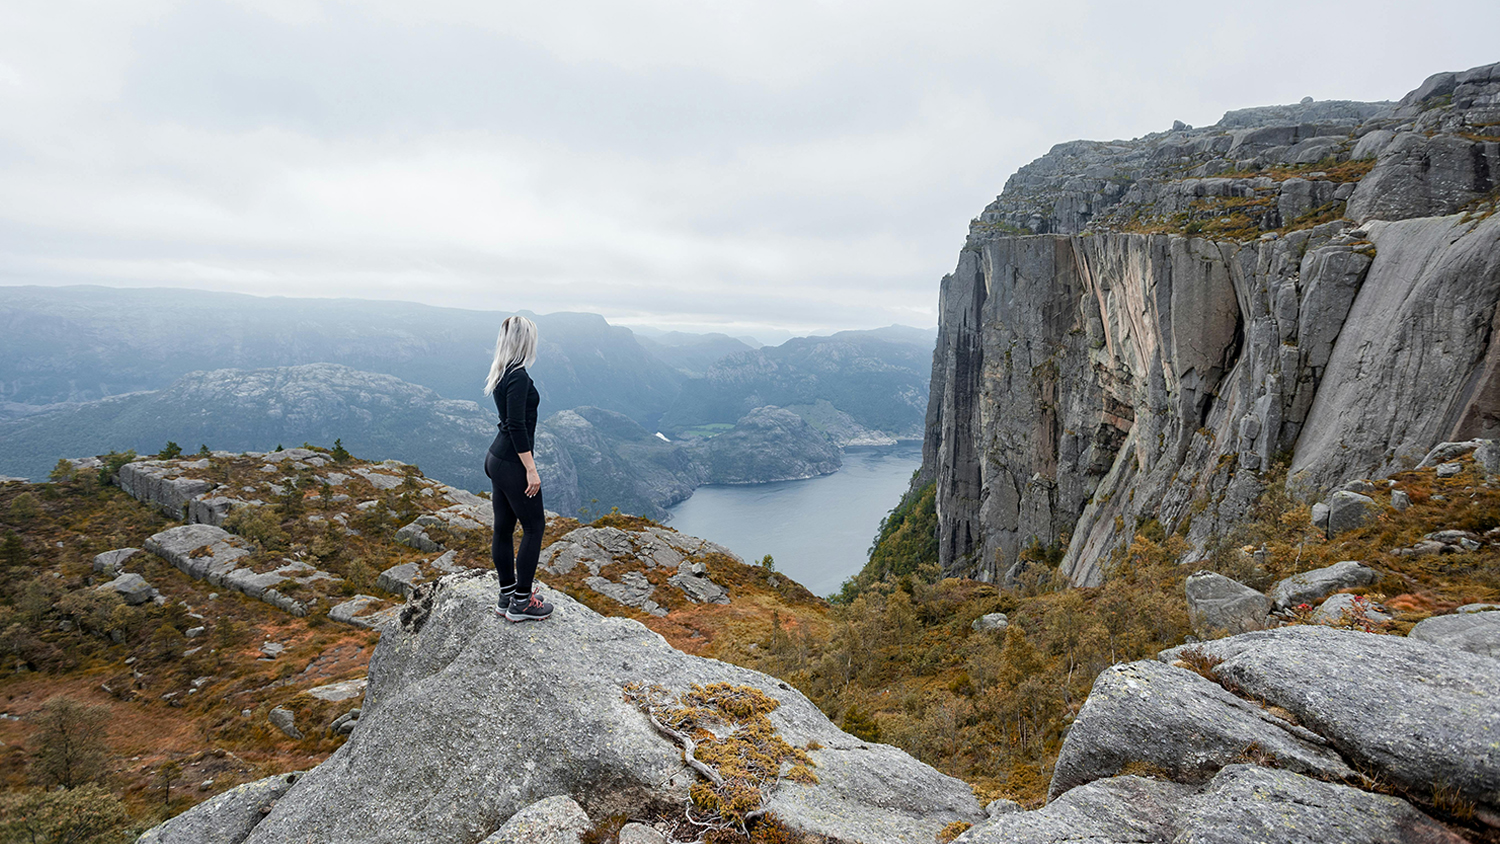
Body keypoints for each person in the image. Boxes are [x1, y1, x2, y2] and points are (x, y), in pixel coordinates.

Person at [482, 315, 554, 622]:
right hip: (512, 461)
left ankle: (506, 595)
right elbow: (516, 425)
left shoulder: (501, 371)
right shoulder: (519, 376)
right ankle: (522, 602)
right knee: (535, 527)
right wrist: (531, 469)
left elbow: (509, 423)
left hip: (496, 459)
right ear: (527, 341)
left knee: (504, 529)